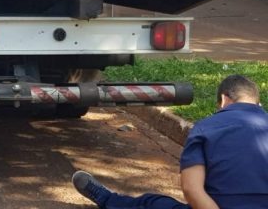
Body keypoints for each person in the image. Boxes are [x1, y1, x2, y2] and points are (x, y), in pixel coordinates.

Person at [72, 74, 268, 209]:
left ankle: (107, 199)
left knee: (151, 203)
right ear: (258, 104)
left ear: (224, 100)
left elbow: (192, 188)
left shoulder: (206, 128)